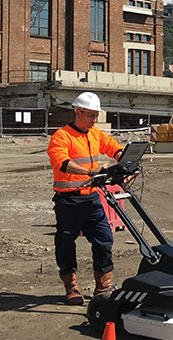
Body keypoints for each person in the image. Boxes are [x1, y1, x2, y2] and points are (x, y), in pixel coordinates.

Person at [47, 92, 123, 305]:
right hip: (69, 201)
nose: (94, 120)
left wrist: (124, 159)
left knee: (104, 240)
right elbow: (61, 162)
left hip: (91, 200)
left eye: (96, 115)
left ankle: (103, 288)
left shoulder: (94, 134)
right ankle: (71, 288)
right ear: (77, 112)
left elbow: (113, 147)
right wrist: (89, 173)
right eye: (90, 115)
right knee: (66, 244)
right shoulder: (62, 136)